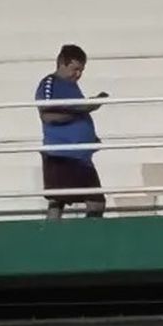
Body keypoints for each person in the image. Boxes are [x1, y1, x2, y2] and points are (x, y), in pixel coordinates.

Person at [36, 43, 106, 218]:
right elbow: (48, 115)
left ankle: (88, 240)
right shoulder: (50, 83)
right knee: (57, 202)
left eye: (81, 70)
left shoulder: (72, 86)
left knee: (96, 203)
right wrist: (84, 108)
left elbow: (74, 112)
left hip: (81, 157)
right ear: (62, 64)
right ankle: (50, 238)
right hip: (61, 154)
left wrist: (91, 138)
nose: (78, 74)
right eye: (75, 69)